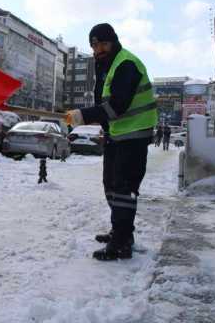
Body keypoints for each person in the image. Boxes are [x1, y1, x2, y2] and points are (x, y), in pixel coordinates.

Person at [66, 23, 157, 261]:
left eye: (103, 43)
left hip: (134, 136)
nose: (98, 49)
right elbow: (104, 104)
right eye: (94, 45)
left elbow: (117, 105)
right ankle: (121, 232)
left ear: (114, 41)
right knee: (111, 185)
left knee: (123, 188)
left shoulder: (126, 64)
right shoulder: (106, 65)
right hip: (118, 135)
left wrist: (83, 115)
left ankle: (121, 244)